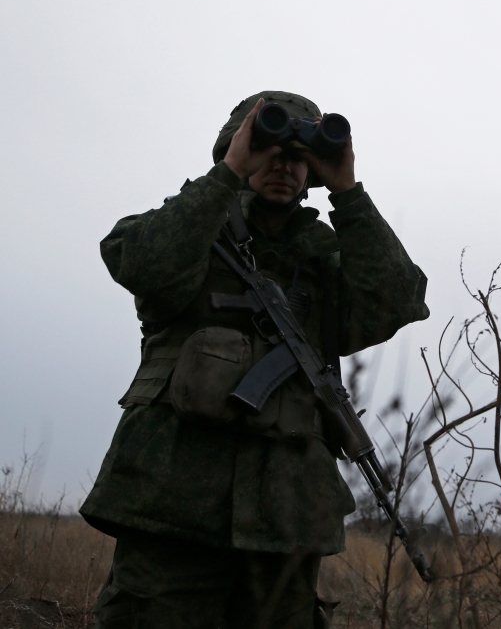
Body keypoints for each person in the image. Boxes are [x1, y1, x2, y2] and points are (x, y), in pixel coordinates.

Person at [80, 91, 430, 628]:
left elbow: (398, 300)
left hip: (285, 517)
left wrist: (349, 193)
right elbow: (144, 264)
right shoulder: (191, 231)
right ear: (242, 148)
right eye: (270, 149)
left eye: (299, 156)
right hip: (171, 503)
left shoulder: (324, 261)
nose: (284, 166)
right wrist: (226, 175)